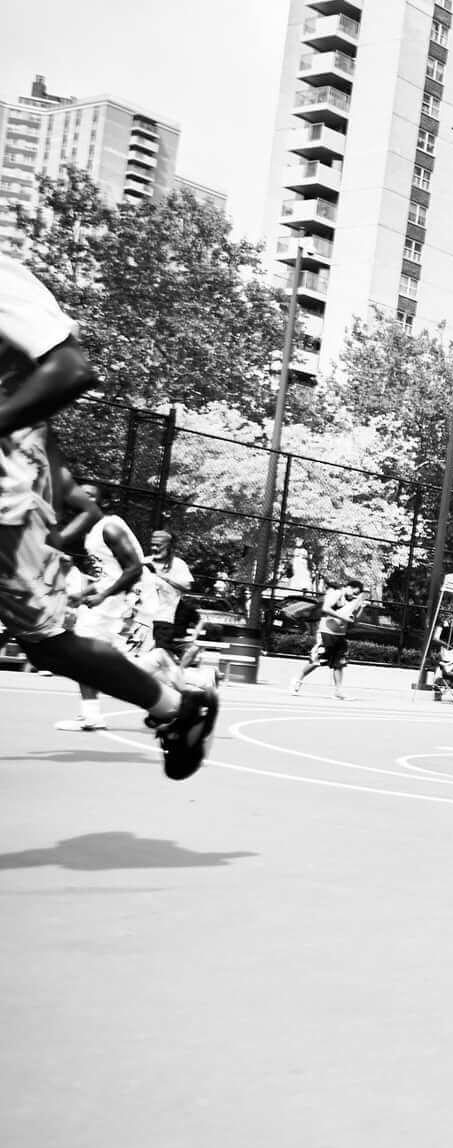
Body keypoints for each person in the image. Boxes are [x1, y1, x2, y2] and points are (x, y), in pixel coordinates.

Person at [0, 255, 217, 778]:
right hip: (40, 516)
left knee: (49, 645)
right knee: (49, 647)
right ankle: (172, 706)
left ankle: (175, 705)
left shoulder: (5, 281)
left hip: (10, 503)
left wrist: (78, 559)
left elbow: (72, 369)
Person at [54, 482, 148, 732]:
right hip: (115, 599)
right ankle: (188, 692)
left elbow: (134, 568)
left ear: (104, 502)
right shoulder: (94, 530)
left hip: (124, 599)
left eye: (90, 495)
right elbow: (110, 574)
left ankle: (91, 716)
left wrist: (103, 596)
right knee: (109, 658)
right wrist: (83, 593)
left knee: (85, 653)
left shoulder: (110, 527)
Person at [292, 577, 366, 700]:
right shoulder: (337, 594)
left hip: (340, 635)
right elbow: (326, 608)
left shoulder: (352, 601)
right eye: (354, 592)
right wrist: (342, 617)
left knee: (339, 663)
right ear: (348, 587)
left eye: (357, 594)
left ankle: (338, 691)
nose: (354, 595)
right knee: (318, 660)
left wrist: (362, 608)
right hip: (326, 632)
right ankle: (298, 679)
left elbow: (353, 620)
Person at [136, 527, 193, 678]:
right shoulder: (145, 562)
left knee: (161, 659)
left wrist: (162, 576)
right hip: (142, 618)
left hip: (165, 619)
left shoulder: (178, 564)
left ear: (169, 546)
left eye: (158, 545)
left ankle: (200, 680)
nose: (154, 548)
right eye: (152, 544)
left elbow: (187, 586)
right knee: (145, 659)